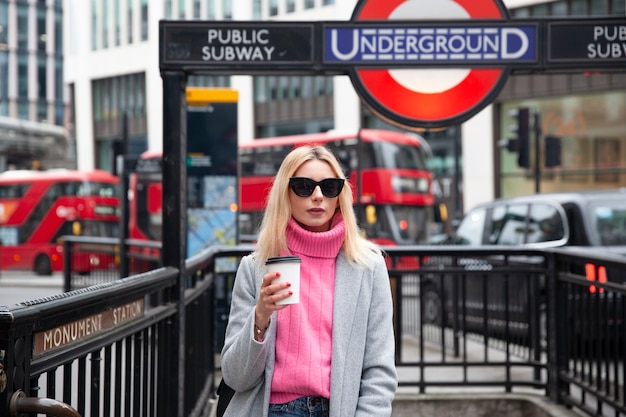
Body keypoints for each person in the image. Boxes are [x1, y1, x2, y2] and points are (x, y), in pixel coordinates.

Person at [220, 145, 397, 417]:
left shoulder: (368, 268)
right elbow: (235, 377)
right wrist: (260, 318)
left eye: (329, 187)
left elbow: (379, 370)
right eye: (304, 186)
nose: (317, 196)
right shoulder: (255, 268)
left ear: (340, 196)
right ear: (285, 194)